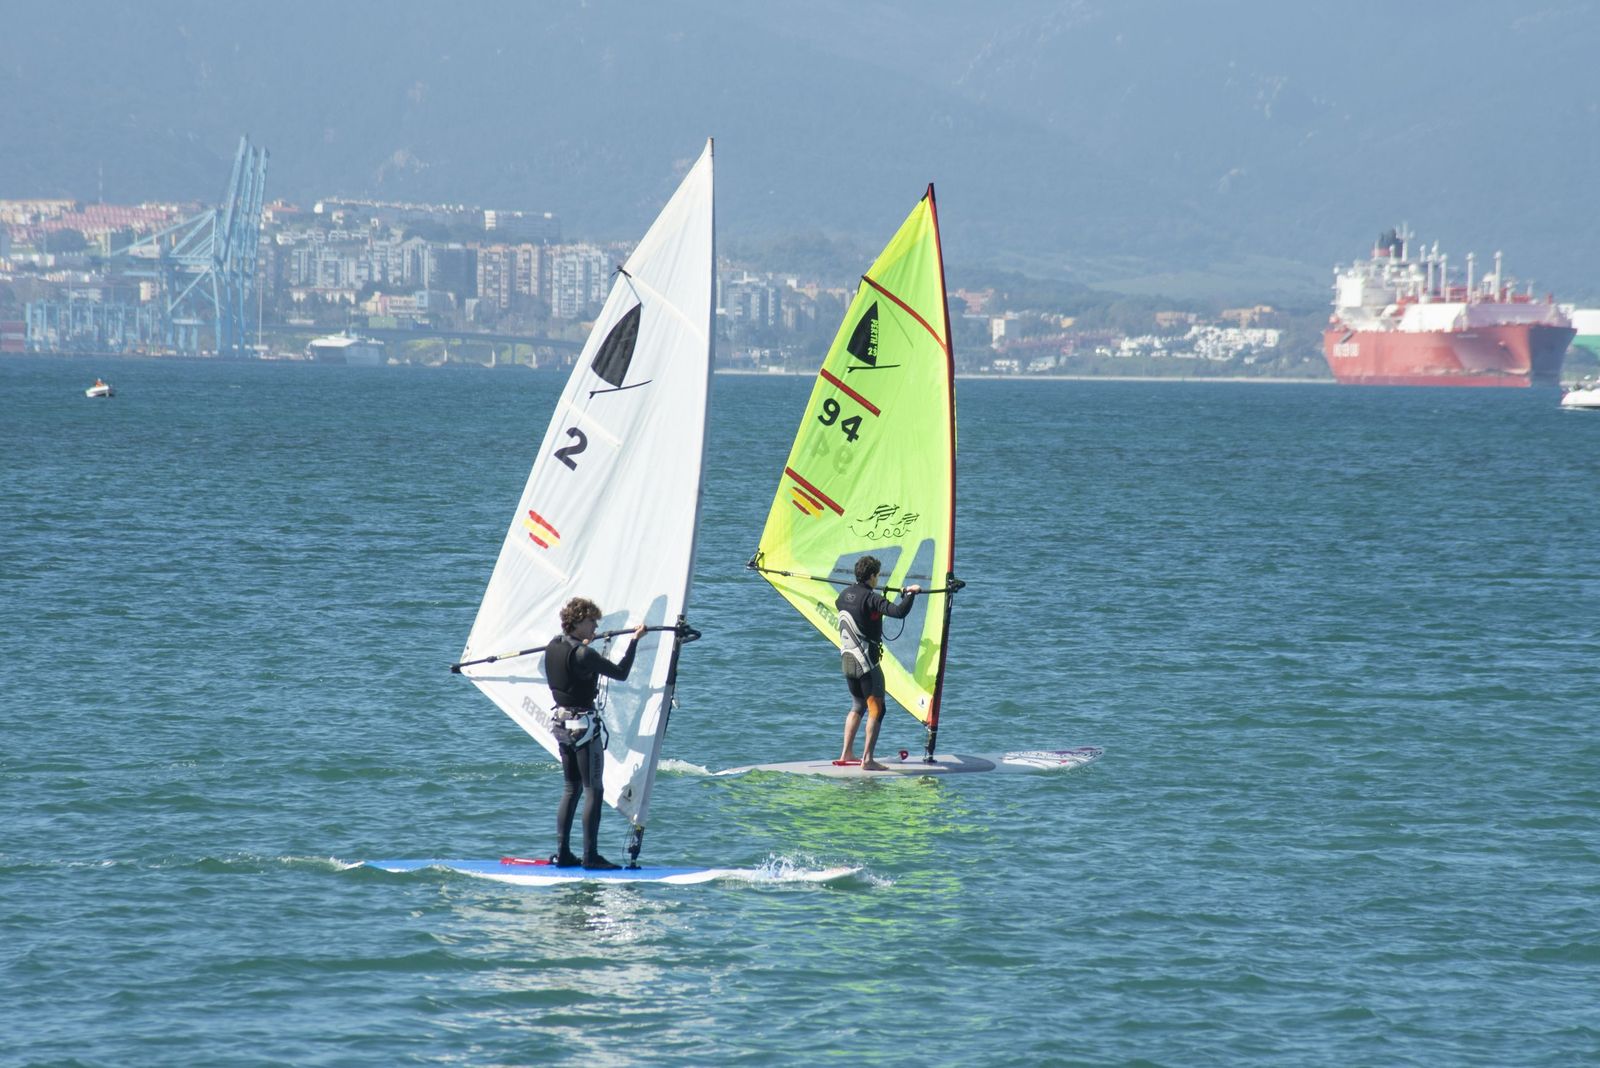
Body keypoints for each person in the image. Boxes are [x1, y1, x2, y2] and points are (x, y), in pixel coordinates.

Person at [543, 597, 647, 869]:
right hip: (584, 729)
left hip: (560, 724)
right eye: (591, 622)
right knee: (593, 790)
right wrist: (635, 640)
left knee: (570, 788)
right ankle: (590, 857)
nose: (595, 626)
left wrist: (585, 646)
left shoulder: (553, 646)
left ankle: (563, 853)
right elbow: (621, 673)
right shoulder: (585, 655)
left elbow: (572, 670)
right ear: (576, 622)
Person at [835, 556, 921, 771]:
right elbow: (899, 612)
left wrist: (883, 601)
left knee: (857, 705)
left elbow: (863, 609)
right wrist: (910, 594)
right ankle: (868, 760)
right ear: (873, 576)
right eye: (877, 575)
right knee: (877, 709)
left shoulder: (844, 595)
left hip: (847, 660)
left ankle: (846, 753)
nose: (878, 578)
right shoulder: (871, 599)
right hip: (866, 663)